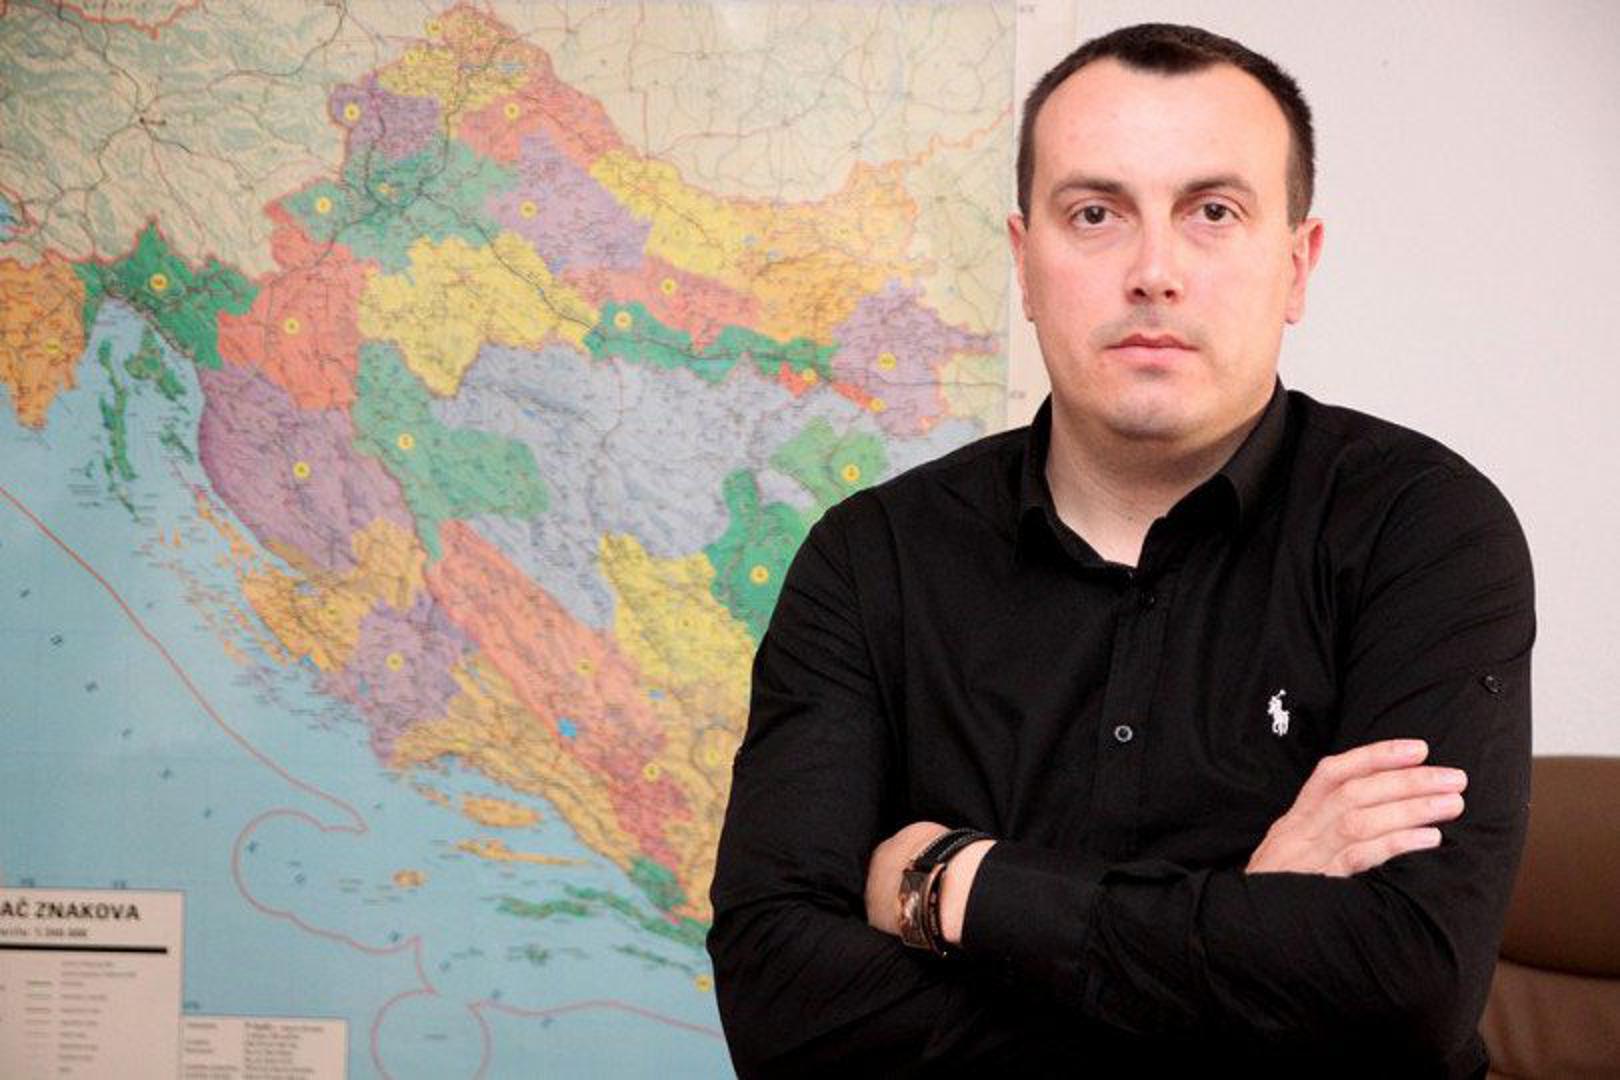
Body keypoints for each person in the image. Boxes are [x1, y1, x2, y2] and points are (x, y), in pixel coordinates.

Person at [707, 22, 1533, 1077]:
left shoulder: (1424, 531)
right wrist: (1249, 927)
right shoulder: (871, 561)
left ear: (1296, 265)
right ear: (1024, 264)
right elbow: (782, 1009)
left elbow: (1406, 991)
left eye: (1212, 212)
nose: (1153, 272)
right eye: (1095, 214)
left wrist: (959, 884)